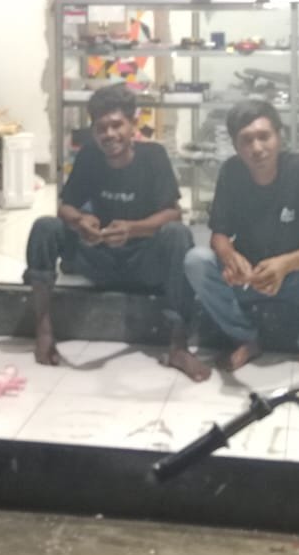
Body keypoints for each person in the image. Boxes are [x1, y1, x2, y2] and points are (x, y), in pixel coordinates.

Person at [24, 84, 208, 381]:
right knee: (45, 227)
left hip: (142, 260)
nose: (109, 134)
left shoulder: (153, 156)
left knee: (177, 235)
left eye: (117, 125)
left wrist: (133, 229)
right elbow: (65, 207)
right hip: (99, 256)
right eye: (101, 128)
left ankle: (178, 344)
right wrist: (81, 221)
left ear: (133, 124)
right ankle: (43, 329)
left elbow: (173, 213)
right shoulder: (89, 155)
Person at [185, 101, 299, 379]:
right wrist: (231, 258)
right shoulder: (231, 172)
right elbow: (219, 234)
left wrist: (285, 264)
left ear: (279, 136)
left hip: (297, 277)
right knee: (196, 261)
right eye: (246, 140)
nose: (257, 148)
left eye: (264, 136)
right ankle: (245, 338)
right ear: (236, 146)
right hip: (249, 278)